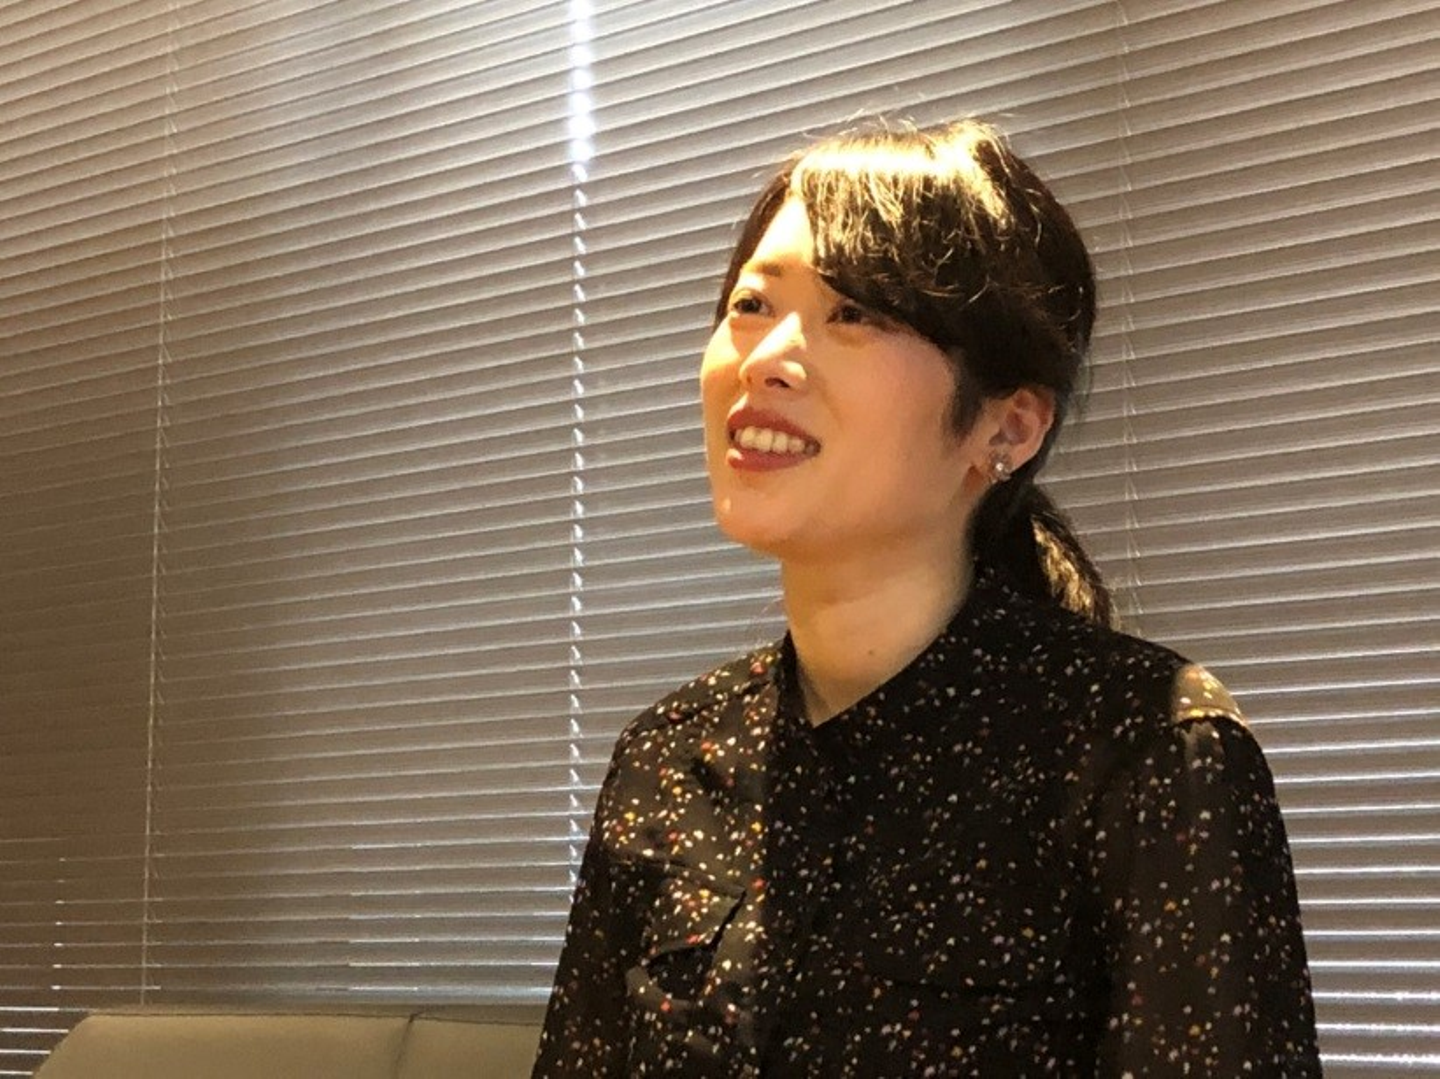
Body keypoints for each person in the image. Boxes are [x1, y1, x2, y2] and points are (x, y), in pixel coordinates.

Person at [532, 119, 1321, 1077]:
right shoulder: (666, 759)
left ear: (1008, 428)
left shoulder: (1146, 750)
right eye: (750, 303)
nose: (766, 356)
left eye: (854, 313)